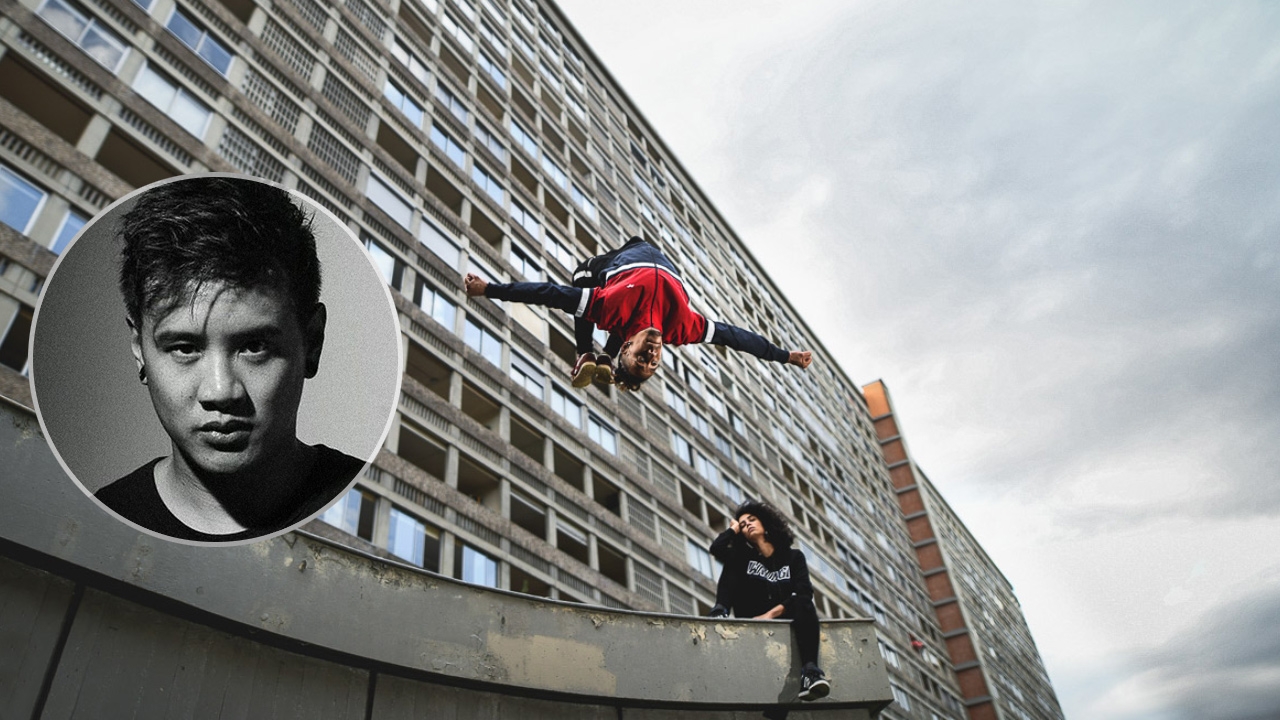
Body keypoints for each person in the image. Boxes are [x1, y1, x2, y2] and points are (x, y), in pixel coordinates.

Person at [94, 176, 364, 542]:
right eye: (185, 348)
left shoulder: (356, 509)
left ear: (312, 341)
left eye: (254, 347)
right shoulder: (96, 523)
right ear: (139, 350)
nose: (221, 392)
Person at [464, 236, 812, 390]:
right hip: (645, 265)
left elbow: (547, 293)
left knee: (583, 282)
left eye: (640, 361)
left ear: (629, 349)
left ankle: (588, 351)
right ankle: (599, 356)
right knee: (592, 299)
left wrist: (490, 289)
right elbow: (737, 338)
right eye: (654, 363)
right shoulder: (682, 327)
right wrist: (784, 356)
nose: (650, 357)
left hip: (610, 274)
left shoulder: (610, 304)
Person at [708, 500, 831, 702]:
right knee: (733, 563)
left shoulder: (794, 558)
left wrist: (770, 615)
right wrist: (733, 530)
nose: (746, 523)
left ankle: (810, 673)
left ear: (766, 524)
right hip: (749, 612)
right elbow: (717, 549)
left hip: (782, 613)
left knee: (803, 603)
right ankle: (720, 610)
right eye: (742, 523)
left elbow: (804, 594)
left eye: (752, 519)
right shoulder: (744, 557)